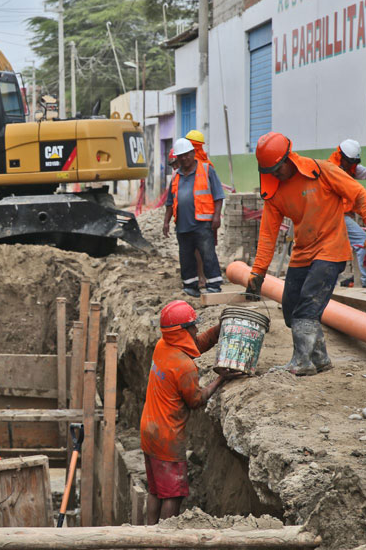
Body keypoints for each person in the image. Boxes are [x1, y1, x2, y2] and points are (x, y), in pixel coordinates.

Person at [245, 132, 366, 375]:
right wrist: (258, 272)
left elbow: (358, 194)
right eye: (270, 172)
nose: (275, 175)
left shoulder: (322, 171)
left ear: (289, 159)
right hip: (302, 253)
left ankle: (301, 363)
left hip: (331, 250)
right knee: (291, 309)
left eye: (278, 169)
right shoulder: (275, 193)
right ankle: (319, 358)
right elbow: (268, 235)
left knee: (308, 306)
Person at [140, 300, 229, 523]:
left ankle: (148, 540)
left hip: (149, 429)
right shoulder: (184, 366)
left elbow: (194, 345)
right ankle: (165, 542)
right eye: (192, 326)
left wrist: (218, 330)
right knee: (173, 494)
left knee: (155, 491)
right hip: (167, 437)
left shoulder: (163, 346)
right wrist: (221, 379)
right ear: (182, 331)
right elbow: (196, 400)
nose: (196, 329)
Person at [163, 138, 225, 297]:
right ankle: (190, 285)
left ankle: (214, 284)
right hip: (182, 224)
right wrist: (166, 222)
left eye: (186, 155)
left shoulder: (206, 170)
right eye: (180, 156)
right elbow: (170, 201)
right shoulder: (176, 176)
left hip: (202, 222)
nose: (184, 158)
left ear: (192, 153)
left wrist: (216, 217)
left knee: (207, 253)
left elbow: (218, 195)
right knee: (186, 256)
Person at [328, 139, 366, 286]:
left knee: (334, 250)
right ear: (342, 157)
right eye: (351, 162)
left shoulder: (350, 166)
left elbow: (365, 172)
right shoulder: (331, 170)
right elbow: (353, 193)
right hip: (334, 216)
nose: (353, 166)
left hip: (342, 215)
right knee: (363, 241)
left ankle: (335, 283)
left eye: (354, 163)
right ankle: (364, 283)